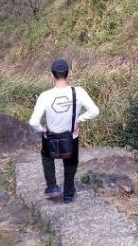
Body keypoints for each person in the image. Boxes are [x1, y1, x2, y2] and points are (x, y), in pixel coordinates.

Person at [29, 58, 99, 203]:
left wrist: (43, 129)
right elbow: (95, 111)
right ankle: (68, 194)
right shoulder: (78, 92)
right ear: (69, 73)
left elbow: (33, 122)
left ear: (51, 75)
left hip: (51, 137)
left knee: (47, 157)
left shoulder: (45, 96)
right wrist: (79, 119)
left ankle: (52, 186)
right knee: (71, 163)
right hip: (71, 137)